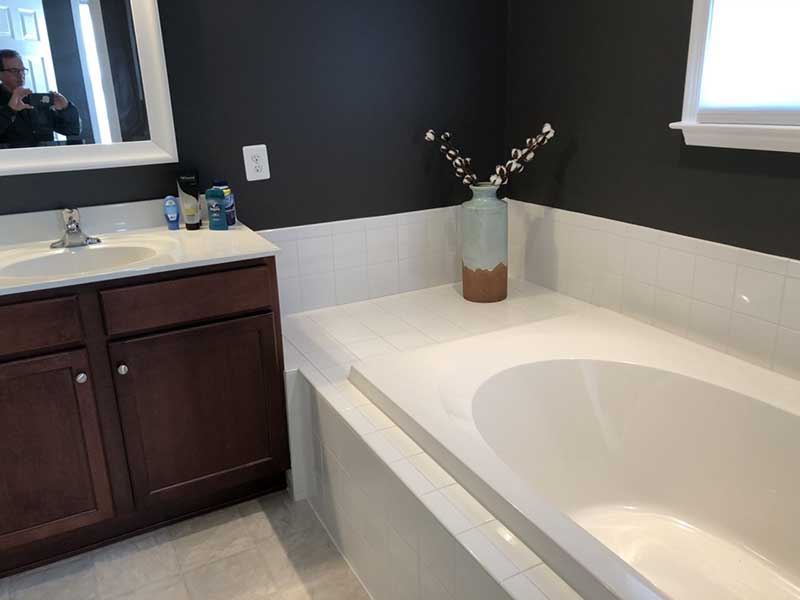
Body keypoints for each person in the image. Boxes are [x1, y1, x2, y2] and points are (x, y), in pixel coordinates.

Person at [0, 49, 81, 147]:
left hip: (45, 158)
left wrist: (65, 108)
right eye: (14, 71)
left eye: (22, 70)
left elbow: (73, 130)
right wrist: (10, 110)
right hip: (11, 160)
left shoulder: (36, 100)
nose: (20, 75)